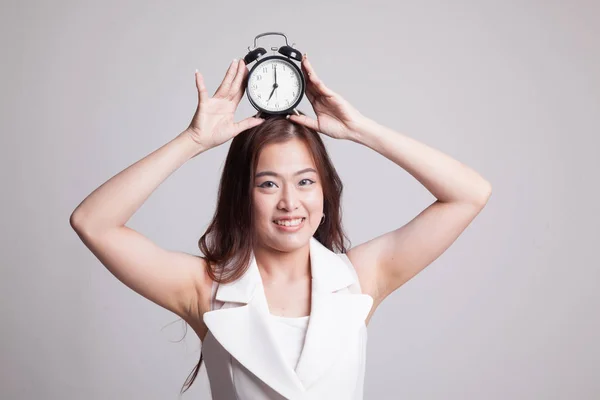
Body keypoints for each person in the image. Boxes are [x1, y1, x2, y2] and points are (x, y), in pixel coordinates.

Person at [70, 54, 492, 399]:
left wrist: (360, 130)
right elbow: (93, 222)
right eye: (268, 184)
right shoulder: (204, 287)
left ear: (325, 192)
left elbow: (469, 193)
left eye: (306, 181)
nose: (290, 202)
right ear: (242, 195)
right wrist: (193, 141)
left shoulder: (359, 279)